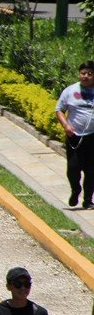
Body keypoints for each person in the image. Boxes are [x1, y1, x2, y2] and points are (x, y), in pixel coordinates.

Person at [55, 61, 94, 208]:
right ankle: (75, 189)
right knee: (73, 167)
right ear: (79, 75)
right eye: (83, 73)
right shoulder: (70, 91)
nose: (86, 76)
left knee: (91, 169)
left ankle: (88, 200)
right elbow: (59, 110)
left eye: (90, 73)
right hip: (75, 136)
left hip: (92, 136)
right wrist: (65, 125)